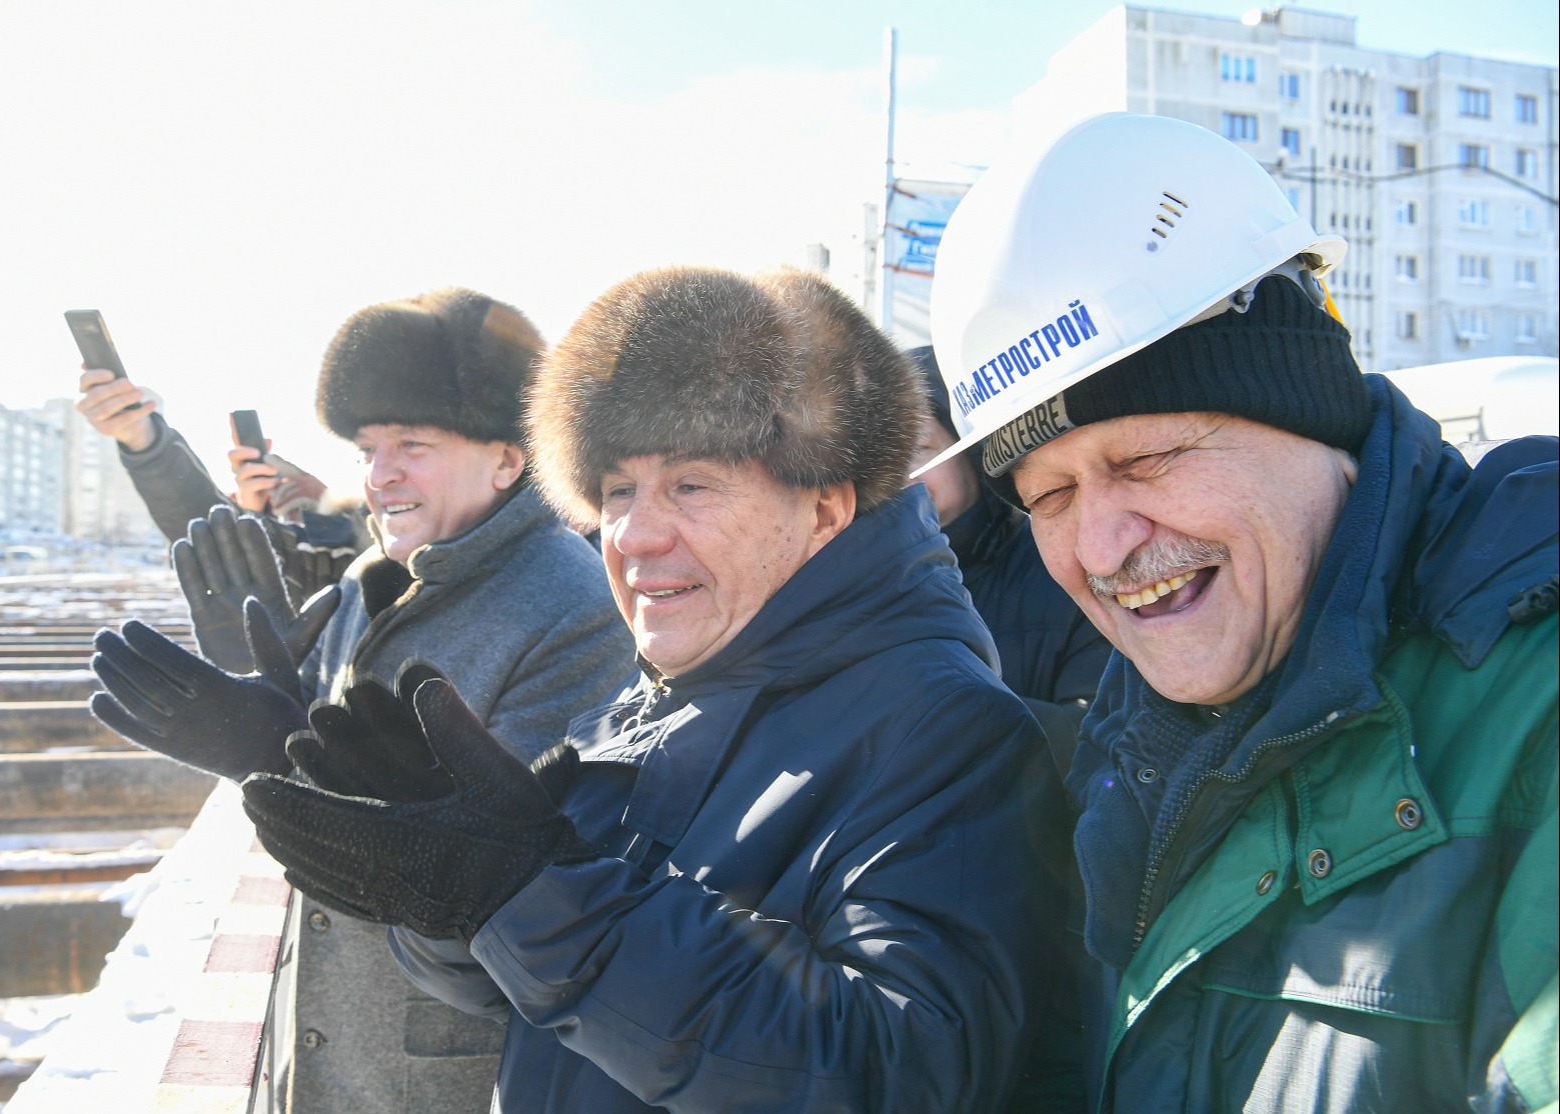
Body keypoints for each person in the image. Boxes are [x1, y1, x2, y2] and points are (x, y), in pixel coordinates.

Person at [239, 266, 1080, 1111]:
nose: (634, 535)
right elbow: (514, 996)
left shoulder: (945, 730)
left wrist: (524, 890)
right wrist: (447, 891)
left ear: (825, 508)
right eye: (617, 491)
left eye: (690, 485)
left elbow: (893, 1072)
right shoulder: (653, 700)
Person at [923, 111, 1558, 1112]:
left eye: (1147, 459)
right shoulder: (1134, 740)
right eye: (1049, 496)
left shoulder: (1536, 712)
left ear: (1304, 408)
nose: (1101, 548)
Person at [90, 287, 634, 1111]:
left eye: (413, 444)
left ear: (507, 459)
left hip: (443, 1072)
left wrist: (274, 754)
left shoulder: (573, 608)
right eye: (367, 449)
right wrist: (268, 711)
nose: (380, 476)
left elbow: (510, 880)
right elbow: (328, 749)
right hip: (329, 1039)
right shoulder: (371, 576)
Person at [906, 344, 1110, 770]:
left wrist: (930, 705)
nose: (897, 478)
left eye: (918, 448)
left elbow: (1104, 736)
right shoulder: (857, 587)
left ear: (970, 451)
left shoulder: (1067, 562)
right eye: (876, 462)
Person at [75, 365, 361, 599]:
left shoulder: (360, 548)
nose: (380, 473)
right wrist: (146, 443)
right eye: (369, 450)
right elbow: (221, 546)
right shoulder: (339, 554)